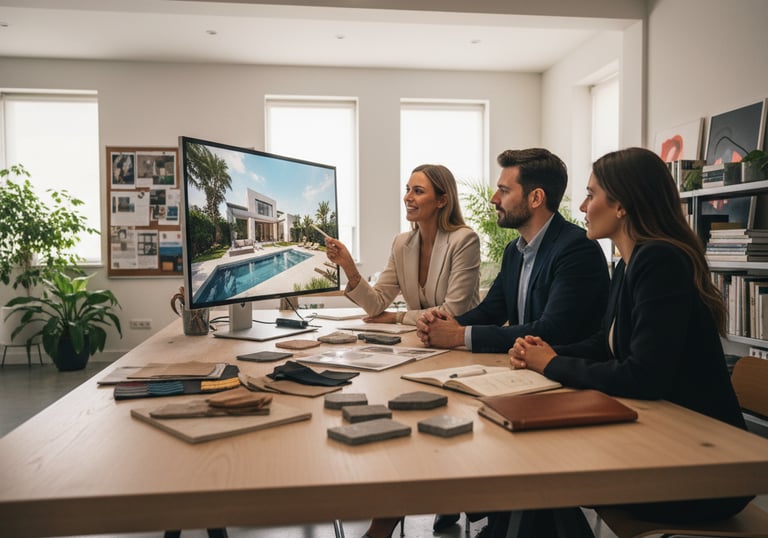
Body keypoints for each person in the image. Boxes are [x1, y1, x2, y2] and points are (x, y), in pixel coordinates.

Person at [504, 147, 752, 538]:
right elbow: (607, 344)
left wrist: (551, 363)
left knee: (549, 470)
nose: (582, 207)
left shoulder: (659, 260)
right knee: (545, 464)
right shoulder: (627, 262)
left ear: (621, 205)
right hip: (666, 440)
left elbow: (643, 376)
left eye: (591, 195)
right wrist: (543, 353)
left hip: (706, 470)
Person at [416, 148, 610, 354]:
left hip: (566, 369)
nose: (494, 198)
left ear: (536, 198)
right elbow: (491, 311)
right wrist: (444, 324)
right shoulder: (514, 251)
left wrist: (458, 335)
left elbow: (552, 330)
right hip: (522, 366)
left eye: (504, 190)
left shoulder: (577, 249)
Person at [325, 163, 481, 326]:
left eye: (418, 191)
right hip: (418, 338)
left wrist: (398, 317)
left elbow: (453, 312)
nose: (407, 197)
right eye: (408, 189)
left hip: (458, 339)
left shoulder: (464, 240)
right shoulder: (401, 243)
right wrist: (349, 266)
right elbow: (375, 304)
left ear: (441, 201)